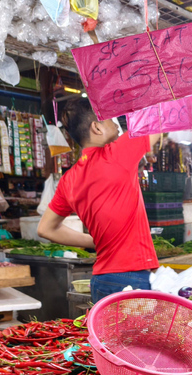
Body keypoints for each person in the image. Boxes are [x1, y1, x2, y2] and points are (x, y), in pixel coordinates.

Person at [37, 98, 160, 302]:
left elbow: (45, 229)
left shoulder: (69, 179)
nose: (116, 126)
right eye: (111, 120)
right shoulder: (115, 154)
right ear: (97, 127)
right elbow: (156, 122)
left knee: (105, 336)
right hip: (131, 277)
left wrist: (97, 241)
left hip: (101, 279)